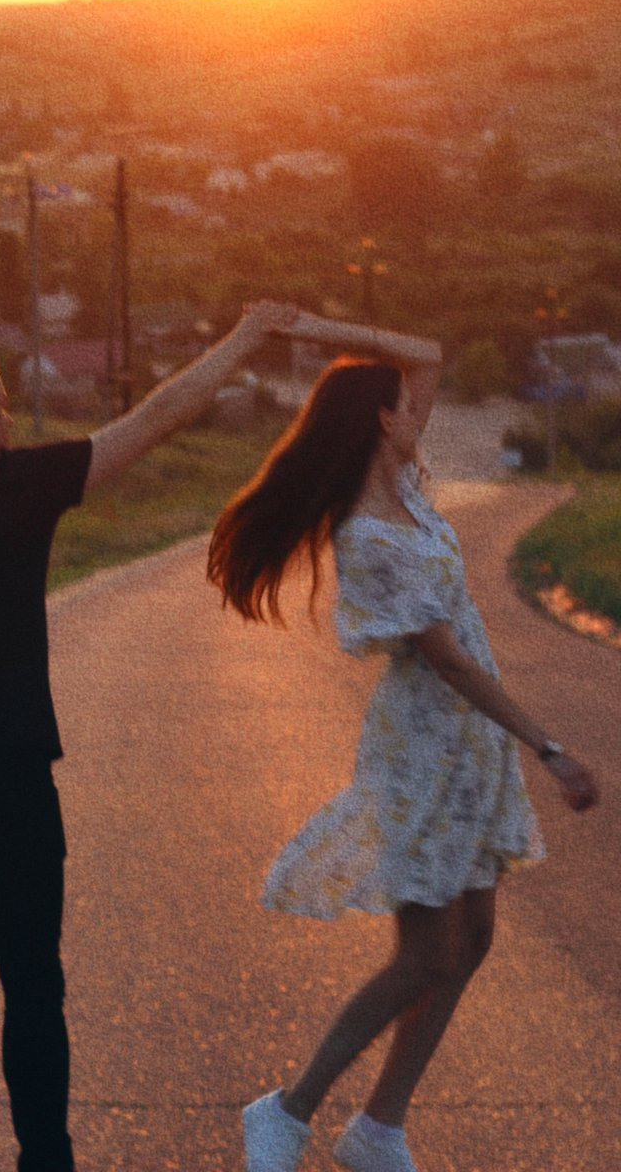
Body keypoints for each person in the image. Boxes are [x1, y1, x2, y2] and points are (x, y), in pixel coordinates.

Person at [0, 302, 295, 1172]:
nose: (10, 420)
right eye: (1, 405)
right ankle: (45, 1158)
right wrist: (241, 337)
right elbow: (158, 417)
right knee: (32, 982)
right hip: (11, 771)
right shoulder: (24, 485)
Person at [206, 312, 600, 1172]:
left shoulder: (411, 489)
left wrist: (301, 325)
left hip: (473, 752)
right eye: (404, 406)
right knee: (425, 955)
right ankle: (287, 1108)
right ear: (385, 419)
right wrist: (549, 746)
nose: (419, 407)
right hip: (428, 750)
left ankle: (379, 1127)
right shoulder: (367, 530)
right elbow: (449, 663)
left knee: (477, 940)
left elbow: (427, 347)